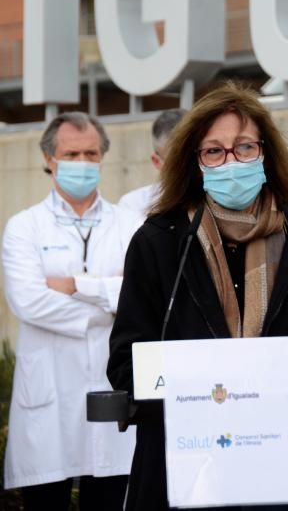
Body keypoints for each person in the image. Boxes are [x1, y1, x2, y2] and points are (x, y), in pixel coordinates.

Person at [107, 81, 288, 511]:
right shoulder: (160, 241)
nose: (231, 161)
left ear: (265, 153)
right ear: (195, 161)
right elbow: (126, 361)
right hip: (188, 466)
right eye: (214, 151)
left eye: (244, 148)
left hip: (285, 461)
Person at [3, 111, 138, 510]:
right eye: (71, 153)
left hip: (110, 389)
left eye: (91, 153)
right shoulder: (24, 227)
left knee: (111, 495)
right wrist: (109, 304)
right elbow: (28, 301)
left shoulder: (131, 225)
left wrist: (78, 286)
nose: (82, 162)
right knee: (47, 498)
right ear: (49, 159)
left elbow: (142, 294)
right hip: (48, 397)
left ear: (102, 157)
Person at [118, 109, 186, 220]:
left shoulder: (217, 200)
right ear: (157, 161)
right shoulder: (133, 206)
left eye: (195, 154)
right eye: (177, 160)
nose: (188, 165)